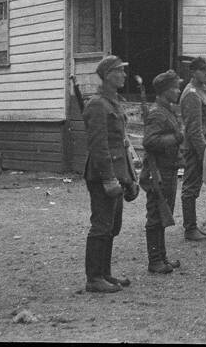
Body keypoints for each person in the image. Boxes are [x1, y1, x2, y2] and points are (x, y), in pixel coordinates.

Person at [81, 55, 137, 294]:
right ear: (107, 75)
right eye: (119, 71)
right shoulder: (97, 105)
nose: (124, 75)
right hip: (103, 174)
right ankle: (94, 278)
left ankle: (105, 273)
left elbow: (121, 143)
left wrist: (130, 176)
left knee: (112, 227)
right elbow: (99, 146)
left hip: (118, 172)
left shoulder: (114, 102)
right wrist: (108, 178)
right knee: (101, 226)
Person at [141, 70, 184, 275]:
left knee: (163, 213)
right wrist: (176, 138)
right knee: (156, 214)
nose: (178, 91)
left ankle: (162, 257)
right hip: (159, 171)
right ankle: (155, 260)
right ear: (165, 90)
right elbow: (149, 142)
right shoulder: (158, 112)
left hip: (169, 168)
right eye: (175, 87)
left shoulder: (167, 110)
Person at [178, 57, 206, 241]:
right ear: (193, 72)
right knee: (190, 186)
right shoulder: (192, 93)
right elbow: (194, 129)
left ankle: (192, 226)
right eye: (202, 70)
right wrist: (204, 154)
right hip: (195, 147)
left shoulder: (201, 91)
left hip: (202, 144)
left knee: (195, 184)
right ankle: (190, 228)